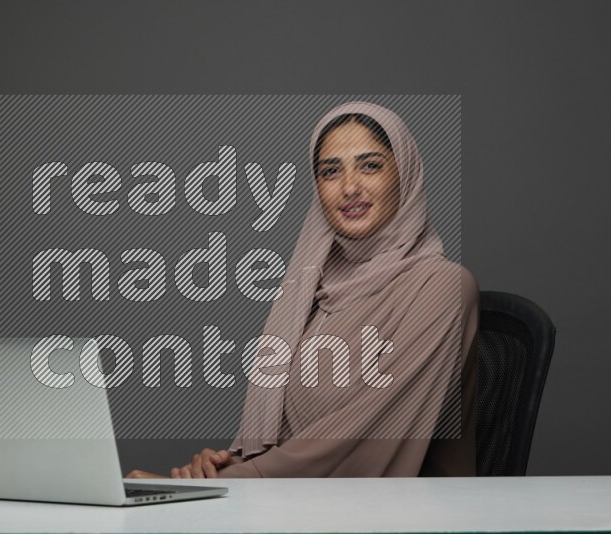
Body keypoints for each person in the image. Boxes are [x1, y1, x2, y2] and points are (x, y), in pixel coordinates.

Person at [126, 101, 479, 479]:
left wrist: (227, 487)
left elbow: (361, 441)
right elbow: (297, 433)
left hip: (393, 519)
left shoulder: (442, 288)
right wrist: (224, 467)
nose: (349, 187)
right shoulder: (314, 292)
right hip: (300, 508)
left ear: (405, 175)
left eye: (370, 165)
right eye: (330, 172)